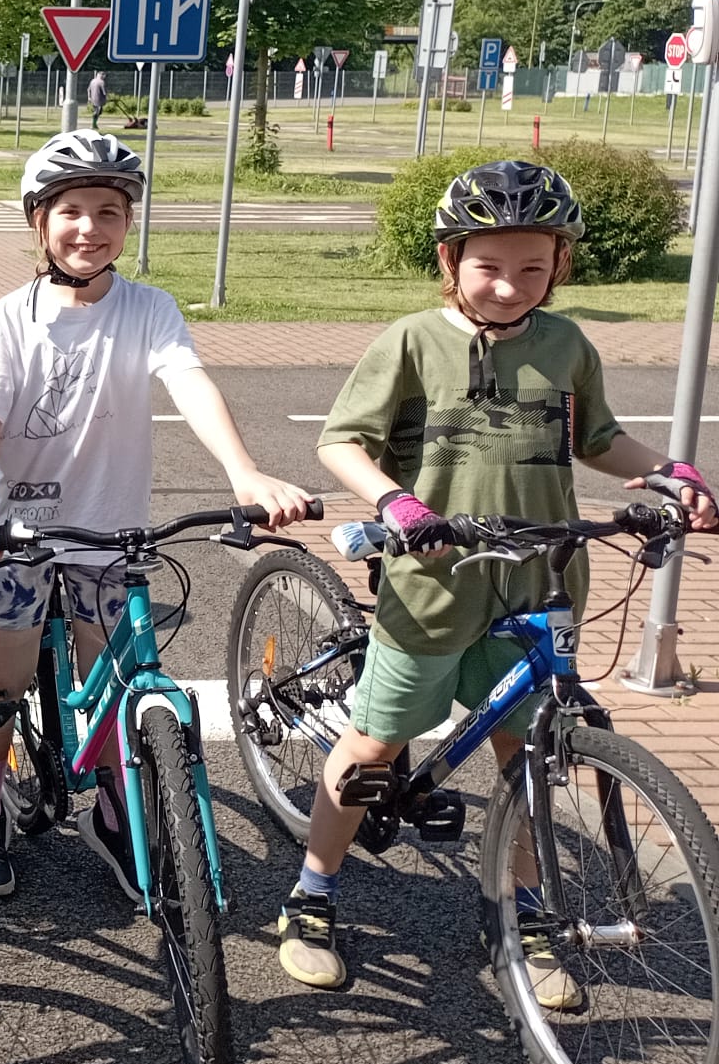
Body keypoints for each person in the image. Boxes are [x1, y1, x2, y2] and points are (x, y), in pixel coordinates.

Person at [282, 159, 717, 1004]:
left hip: (540, 583)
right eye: (488, 265)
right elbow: (342, 442)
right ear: (451, 260)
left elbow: (598, 440)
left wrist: (670, 472)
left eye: (533, 267)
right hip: (434, 582)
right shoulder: (412, 340)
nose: (510, 285)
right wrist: (397, 501)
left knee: (531, 757)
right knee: (375, 745)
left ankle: (526, 912)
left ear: (560, 265)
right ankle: (312, 894)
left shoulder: (567, 345)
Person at [0, 130, 311, 899]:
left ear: (129, 222)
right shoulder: (10, 318)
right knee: (3, 677)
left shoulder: (149, 309)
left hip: (111, 530)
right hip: (19, 531)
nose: (90, 228)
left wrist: (243, 471)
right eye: (71, 211)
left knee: (111, 679)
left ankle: (114, 811)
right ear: (38, 222)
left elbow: (191, 385)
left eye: (109, 212)